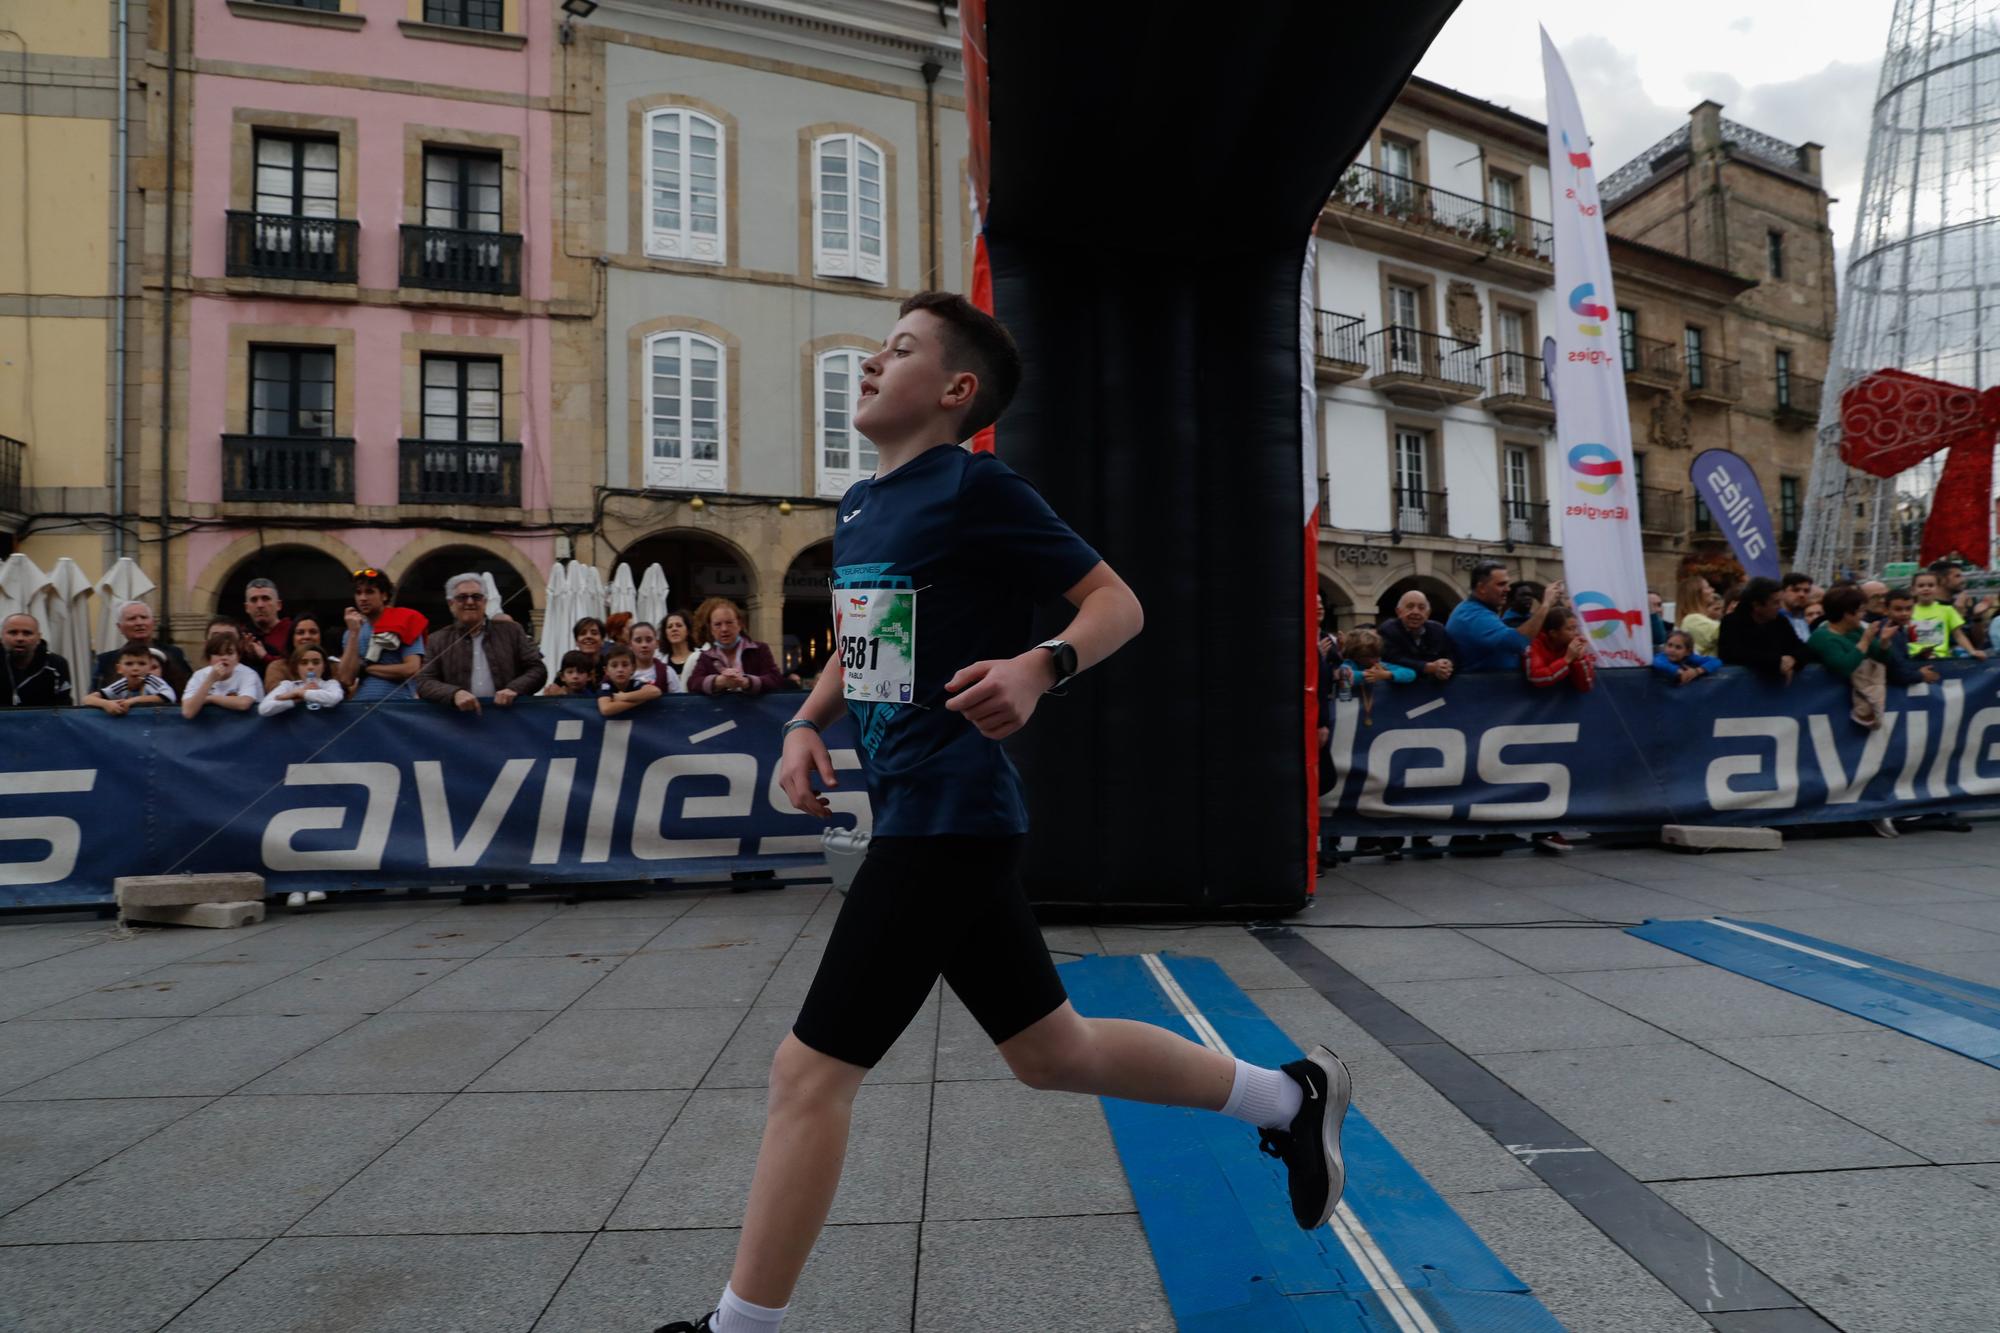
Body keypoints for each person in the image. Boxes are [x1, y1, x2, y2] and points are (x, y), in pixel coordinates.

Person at [650, 292, 1351, 1333]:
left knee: (807, 1071)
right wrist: (805, 721)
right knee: (1050, 1052)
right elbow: (863, 638)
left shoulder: (976, 487)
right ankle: (1286, 1099)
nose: (870, 363)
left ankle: (738, 1331)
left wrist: (1040, 664)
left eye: (898, 350)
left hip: (950, 817)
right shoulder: (856, 506)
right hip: (925, 818)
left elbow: (1117, 603)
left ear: (954, 389)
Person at [414, 573, 549, 711]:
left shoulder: (512, 631)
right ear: (451, 604)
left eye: (476, 597)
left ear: (485, 602)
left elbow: (537, 669)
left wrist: (514, 689)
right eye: (462, 597)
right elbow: (424, 681)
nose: (470, 602)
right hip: (457, 722)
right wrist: (454, 693)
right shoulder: (437, 639)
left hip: (508, 718)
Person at [1809, 584, 1898, 731]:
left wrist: (1884, 641)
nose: (1863, 615)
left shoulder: (1856, 630)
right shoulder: (1823, 637)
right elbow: (1845, 666)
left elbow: (1882, 657)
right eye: (1860, 611)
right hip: (1830, 707)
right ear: (1847, 614)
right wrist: (1864, 641)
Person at [1445, 561, 1561, 672]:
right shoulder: (1472, 615)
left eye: (1507, 584)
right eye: (1501, 584)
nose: (1508, 589)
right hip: (1483, 690)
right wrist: (1546, 604)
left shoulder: (1476, 610)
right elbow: (1517, 642)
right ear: (1481, 588)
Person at [337, 568, 429, 702]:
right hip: (362, 707)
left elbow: (412, 668)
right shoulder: (351, 631)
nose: (363, 598)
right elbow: (346, 679)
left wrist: (368, 669)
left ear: (384, 595)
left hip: (399, 707)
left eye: (369, 592)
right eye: (358, 593)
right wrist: (353, 633)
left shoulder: (405, 620)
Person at [1718, 577, 1810, 681]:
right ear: (1757, 605)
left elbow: (1800, 647)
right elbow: (1733, 654)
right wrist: (1776, 662)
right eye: (1775, 603)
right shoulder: (1732, 622)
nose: (1780, 607)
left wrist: (1793, 659)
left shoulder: (1780, 621)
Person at [688, 599, 785, 696]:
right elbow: (692, 684)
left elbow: (776, 679)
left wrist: (746, 682)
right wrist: (719, 681)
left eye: (729, 622)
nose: (724, 629)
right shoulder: (706, 656)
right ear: (711, 629)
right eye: (718, 624)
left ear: (739, 624)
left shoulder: (759, 649)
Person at [92, 600, 191, 692]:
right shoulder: (106, 661)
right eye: (132, 619)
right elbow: (94, 697)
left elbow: (190, 690)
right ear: (120, 627)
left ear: (153, 623)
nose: (139, 623)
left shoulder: (175, 654)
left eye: (144, 617)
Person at [1377, 590, 1456, 682]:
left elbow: (1452, 655)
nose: (1415, 612)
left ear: (1428, 613)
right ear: (1398, 612)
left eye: (1421, 608)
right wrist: (1427, 667)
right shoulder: (1388, 630)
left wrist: (1447, 665)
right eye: (1410, 607)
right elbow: (1394, 659)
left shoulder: (1438, 630)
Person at [81, 639, 179, 713]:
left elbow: (169, 696)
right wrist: (107, 704)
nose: (135, 668)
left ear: (149, 668)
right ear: (119, 669)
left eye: (141, 663)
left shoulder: (152, 681)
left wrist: (132, 701)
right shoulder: (122, 685)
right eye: (129, 664)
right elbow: (87, 699)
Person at [1909, 570, 1987, 660]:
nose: (1926, 588)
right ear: (1913, 590)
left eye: (1931, 585)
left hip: (1942, 660)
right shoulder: (1908, 611)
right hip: (1914, 660)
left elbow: (1958, 635)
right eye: (1921, 586)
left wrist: (1972, 651)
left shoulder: (1947, 610)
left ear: (1938, 588)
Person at [181, 633, 264, 718]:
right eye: (218, 654)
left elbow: (244, 703)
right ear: (209, 658)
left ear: (238, 658)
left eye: (230, 653)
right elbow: (188, 712)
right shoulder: (199, 675)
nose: (224, 657)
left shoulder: (248, 674)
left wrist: (210, 698)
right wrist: (210, 680)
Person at [1, 613, 74, 708]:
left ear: (39, 638)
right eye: (13, 632)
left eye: (27, 633)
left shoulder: (56, 664)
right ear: (2, 637)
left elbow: (64, 705)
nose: (20, 638)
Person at [1878, 589, 1942, 687]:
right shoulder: (1887, 632)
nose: (1904, 613)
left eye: (1909, 608)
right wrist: (1920, 675)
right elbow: (1897, 673)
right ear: (1886, 610)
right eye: (1898, 609)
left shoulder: (1900, 629)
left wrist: (1920, 656)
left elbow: (1900, 662)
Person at [258, 643, 343, 716]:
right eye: (304, 663)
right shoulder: (288, 686)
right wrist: (296, 699)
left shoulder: (330, 684)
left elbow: (334, 698)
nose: (310, 667)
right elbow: (264, 709)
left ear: (324, 667)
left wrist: (300, 693)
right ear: (296, 668)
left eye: (316, 662)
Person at [1525, 606, 1596, 693]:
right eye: (1570, 629)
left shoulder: (1571, 645)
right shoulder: (1535, 645)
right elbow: (1536, 678)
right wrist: (1567, 659)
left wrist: (1579, 658)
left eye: (1576, 628)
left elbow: (1585, 687)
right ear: (1553, 633)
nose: (1576, 633)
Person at [236, 577, 293, 673]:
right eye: (254, 600)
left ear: (279, 605)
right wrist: (242, 654)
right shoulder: (240, 635)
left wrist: (265, 657)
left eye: (266, 599)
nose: (260, 605)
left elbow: (298, 666)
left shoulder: (294, 631)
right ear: (247, 608)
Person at [262, 612, 324, 692]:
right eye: (300, 632)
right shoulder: (278, 667)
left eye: (313, 632)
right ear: (292, 638)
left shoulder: (332, 666)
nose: (307, 636)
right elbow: (277, 696)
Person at [598, 645, 663, 716]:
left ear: (633, 668)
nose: (620, 670)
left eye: (625, 665)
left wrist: (626, 696)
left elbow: (655, 691)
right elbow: (606, 709)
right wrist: (640, 700)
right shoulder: (606, 685)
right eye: (614, 666)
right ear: (606, 670)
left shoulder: (635, 683)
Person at [1650, 629, 1722, 685]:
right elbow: (1658, 662)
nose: (1672, 650)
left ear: (1687, 652)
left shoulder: (1690, 657)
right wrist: (1678, 671)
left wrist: (1697, 671)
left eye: (1678, 647)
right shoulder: (1662, 657)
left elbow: (1716, 661)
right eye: (1669, 645)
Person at [1674, 576, 1722, 658]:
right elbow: (1728, 632)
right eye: (1707, 587)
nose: (1712, 590)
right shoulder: (1693, 619)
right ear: (1696, 594)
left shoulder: (1696, 619)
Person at [660, 610, 698, 693]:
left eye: (679, 625)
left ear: (687, 631)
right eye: (670, 627)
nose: (674, 629)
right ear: (665, 634)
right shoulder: (661, 663)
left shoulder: (700, 657)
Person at [627, 621, 669, 690]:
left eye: (649, 640)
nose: (644, 645)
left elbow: (678, 699)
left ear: (657, 643)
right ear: (630, 645)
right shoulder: (622, 671)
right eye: (638, 641)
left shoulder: (667, 672)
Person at [1778, 571, 1814, 643]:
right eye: (1795, 590)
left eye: (1806, 591)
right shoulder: (1773, 619)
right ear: (1782, 592)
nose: (1802, 595)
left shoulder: (1809, 619)